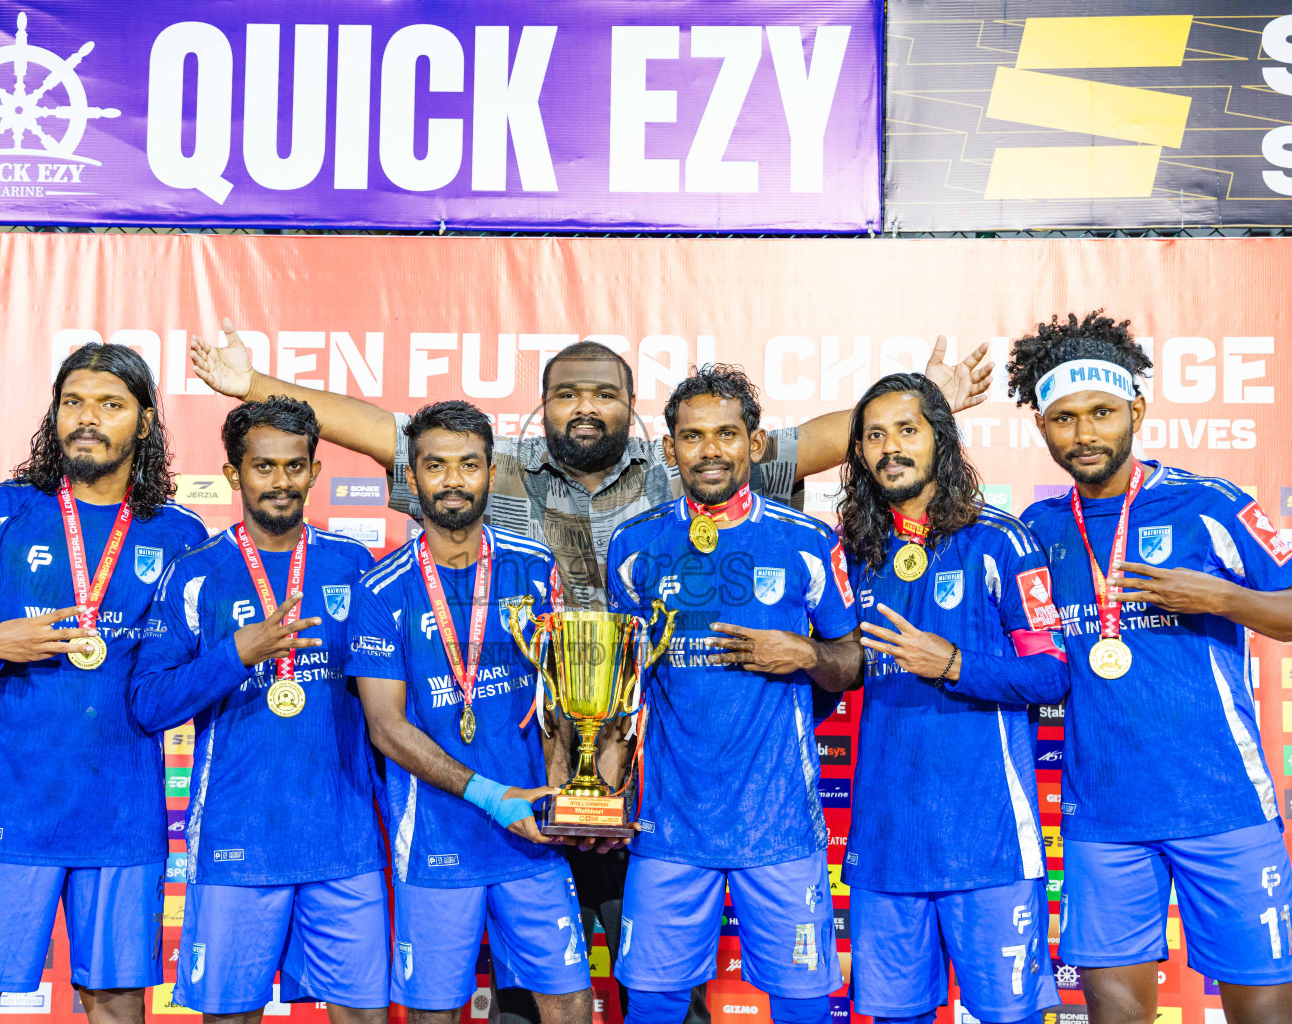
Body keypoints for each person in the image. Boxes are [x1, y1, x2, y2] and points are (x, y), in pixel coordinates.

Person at [190, 321, 992, 1022]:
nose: (585, 407)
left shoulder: (679, 458)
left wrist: (926, 403)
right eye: (567, 393)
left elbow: (816, 442)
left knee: (647, 977)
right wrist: (251, 384)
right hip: (522, 759)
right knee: (518, 983)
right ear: (542, 409)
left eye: (603, 393)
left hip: (641, 770)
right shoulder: (493, 466)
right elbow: (380, 432)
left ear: (632, 407)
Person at [1007, 311, 1292, 1024]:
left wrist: (1217, 595)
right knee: (1115, 1016)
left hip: (1221, 806)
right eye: (1062, 419)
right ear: (1041, 427)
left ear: (1135, 409)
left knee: (1262, 1017)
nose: (1083, 433)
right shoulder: (1036, 530)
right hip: (1102, 816)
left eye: (1100, 412)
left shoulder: (1207, 504)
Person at [0, 345, 209, 1024]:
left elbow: (188, 675)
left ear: (145, 422)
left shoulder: (181, 534)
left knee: (117, 1004)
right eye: (73, 402)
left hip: (123, 814)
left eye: (109, 405)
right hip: (4, 803)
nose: (86, 419)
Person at [604, 365, 863, 1024]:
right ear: (669, 450)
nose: (709, 450)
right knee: (654, 1006)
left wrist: (805, 654)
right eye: (692, 437)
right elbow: (619, 688)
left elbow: (852, 661)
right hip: (667, 825)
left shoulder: (806, 542)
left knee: (804, 1005)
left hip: (779, 825)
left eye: (726, 434)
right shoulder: (634, 548)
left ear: (754, 443)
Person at [131, 397, 388, 1023]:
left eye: (294, 467)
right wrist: (237, 653)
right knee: (230, 1015)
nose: (280, 481)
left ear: (315, 473)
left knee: (364, 1015)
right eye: (264, 467)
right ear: (233, 475)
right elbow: (148, 703)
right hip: (236, 842)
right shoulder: (197, 573)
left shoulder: (353, 565)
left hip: (343, 841)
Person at [345, 400, 593, 1024]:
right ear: (413, 474)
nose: (453, 480)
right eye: (436, 465)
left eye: (469, 465)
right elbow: (385, 726)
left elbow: (564, 697)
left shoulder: (535, 569)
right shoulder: (379, 589)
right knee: (434, 1013)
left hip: (532, 834)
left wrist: (563, 792)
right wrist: (489, 794)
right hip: (434, 837)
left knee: (570, 1003)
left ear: (490, 471)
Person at [835, 373, 1066, 1024]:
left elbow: (1051, 674)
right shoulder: (850, 552)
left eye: (907, 430)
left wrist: (955, 664)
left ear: (941, 439)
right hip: (884, 846)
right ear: (856, 454)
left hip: (987, 843)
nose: (890, 448)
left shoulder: (1000, 539)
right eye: (873, 436)